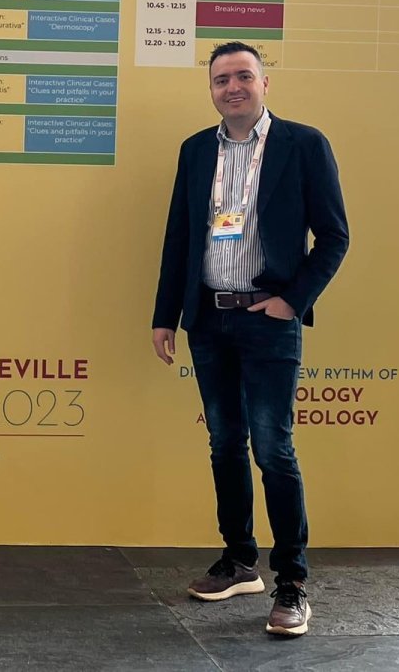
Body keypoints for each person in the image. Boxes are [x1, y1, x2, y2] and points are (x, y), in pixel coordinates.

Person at [151, 42, 348, 637]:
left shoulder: (303, 144)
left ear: (265, 83)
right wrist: (165, 315)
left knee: (273, 449)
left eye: (243, 76)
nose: (232, 87)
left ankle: (292, 583)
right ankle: (239, 560)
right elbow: (179, 237)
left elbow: (334, 236)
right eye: (221, 80)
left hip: (269, 320)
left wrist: (293, 301)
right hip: (209, 320)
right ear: (211, 90)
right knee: (224, 444)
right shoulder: (195, 150)